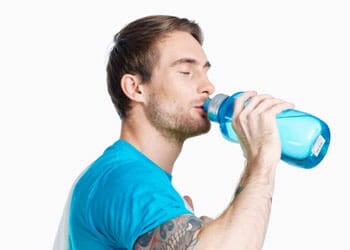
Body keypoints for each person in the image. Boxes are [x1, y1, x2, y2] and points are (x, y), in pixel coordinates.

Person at [53, 15, 294, 250]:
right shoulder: (126, 178)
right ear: (135, 88)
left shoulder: (121, 176)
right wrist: (261, 160)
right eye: (186, 72)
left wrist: (205, 235)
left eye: (205, 72)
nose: (207, 86)